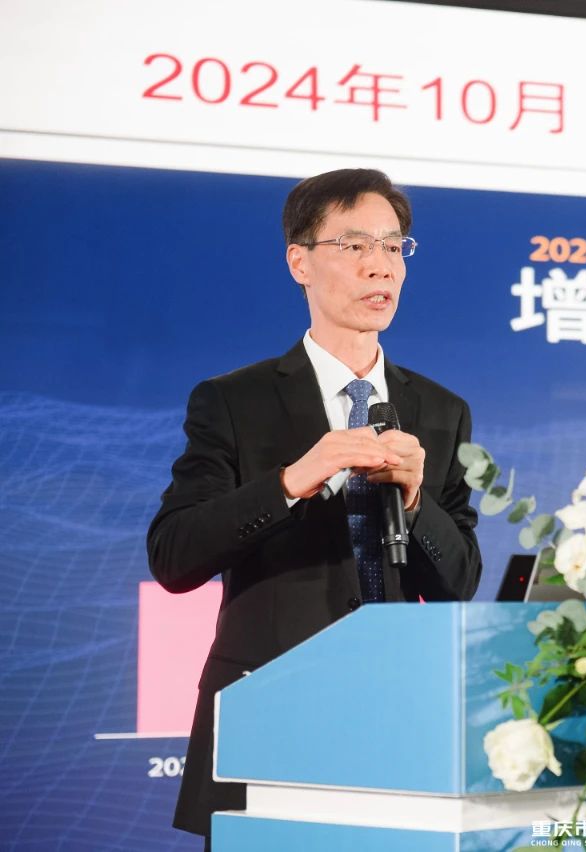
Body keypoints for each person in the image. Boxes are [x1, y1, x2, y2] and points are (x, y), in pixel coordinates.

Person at [146, 168, 482, 844]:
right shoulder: (234, 401)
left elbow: (460, 583)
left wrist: (416, 502)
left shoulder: (440, 411)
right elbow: (174, 557)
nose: (380, 266)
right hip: (270, 714)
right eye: (354, 246)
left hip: (398, 723)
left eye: (393, 247)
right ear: (300, 262)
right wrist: (294, 480)